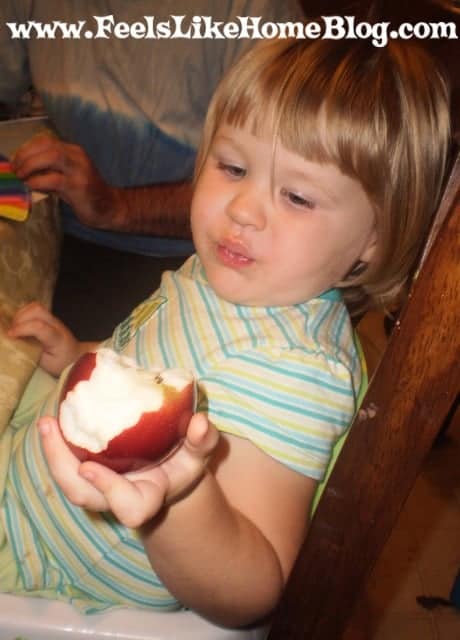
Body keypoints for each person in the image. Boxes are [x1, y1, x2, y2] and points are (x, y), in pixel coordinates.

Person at [2, 36, 450, 627]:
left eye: (296, 196)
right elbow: (145, 361)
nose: (242, 208)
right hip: (26, 487)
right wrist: (78, 354)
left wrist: (178, 495)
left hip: (45, 573)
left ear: (373, 239)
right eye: (232, 167)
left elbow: (252, 590)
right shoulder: (227, 272)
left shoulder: (296, 371)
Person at [0, 0, 303, 257]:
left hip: (197, 254)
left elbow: (282, 196)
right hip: (52, 228)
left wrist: (115, 206)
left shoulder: (254, 9)